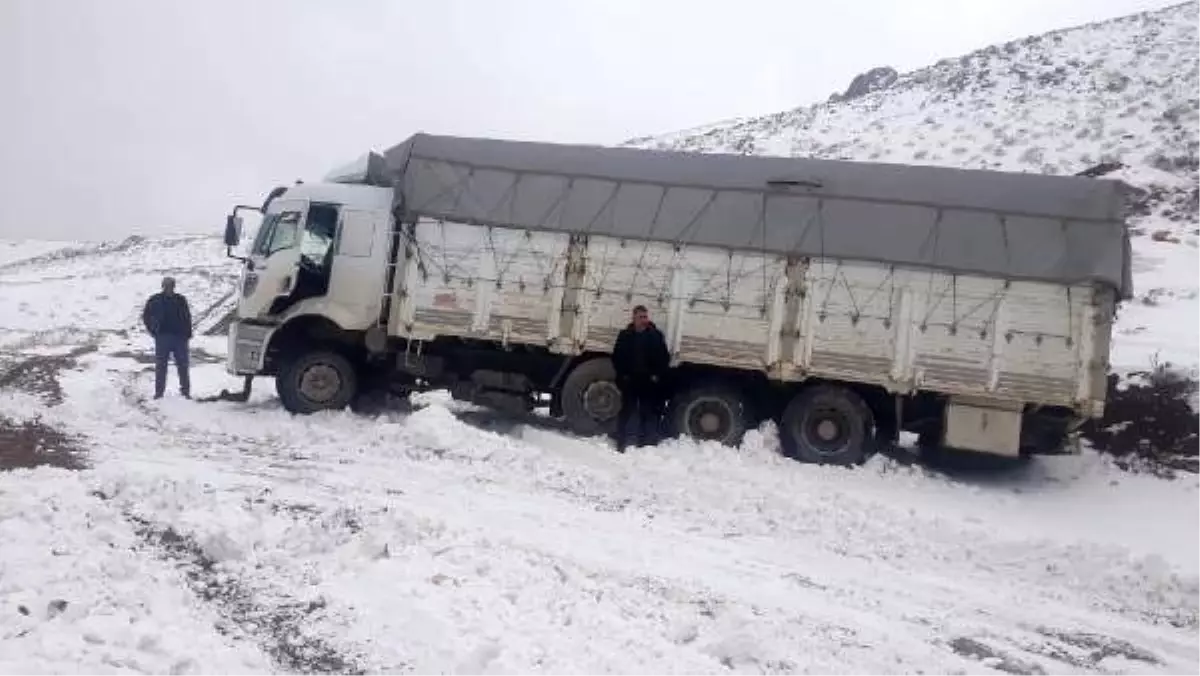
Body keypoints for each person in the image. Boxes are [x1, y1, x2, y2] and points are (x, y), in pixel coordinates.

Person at [611, 304, 671, 452]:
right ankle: (621, 441)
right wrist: (622, 374)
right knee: (626, 410)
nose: (644, 320)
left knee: (647, 411)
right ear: (634, 318)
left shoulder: (655, 335)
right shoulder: (625, 335)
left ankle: (645, 442)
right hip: (630, 380)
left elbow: (664, 357)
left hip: (648, 381)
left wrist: (657, 375)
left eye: (645, 317)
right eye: (640, 317)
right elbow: (617, 356)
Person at [142, 276, 193, 399]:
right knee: (161, 366)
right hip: (162, 338)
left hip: (180, 338)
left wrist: (187, 334)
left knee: (183, 366)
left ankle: (185, 392)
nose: (169, 288)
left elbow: (187, 317)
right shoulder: (154, 300)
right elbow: (146, 316)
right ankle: (159, 393)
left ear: (174, 286)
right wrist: (153, 331)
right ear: (163, 286)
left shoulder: (181, 300)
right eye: (166, 285)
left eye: (171, 285)